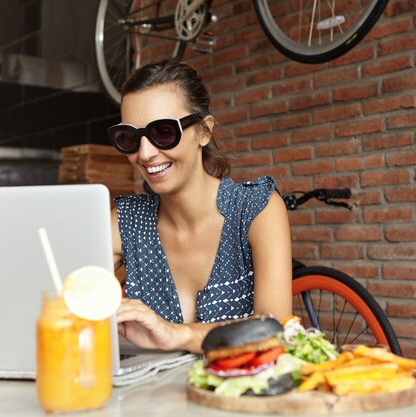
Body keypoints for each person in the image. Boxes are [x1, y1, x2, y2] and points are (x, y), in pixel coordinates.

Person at [108, 59, 292, 353]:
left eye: (163, 133)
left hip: (237, 395)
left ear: (204, 131)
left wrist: (177, 335)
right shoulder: (126, 223)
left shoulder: (257, 209)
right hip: (153, 398)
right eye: (129, 138)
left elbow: (273, 330)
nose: (145, 154)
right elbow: (62, 297)